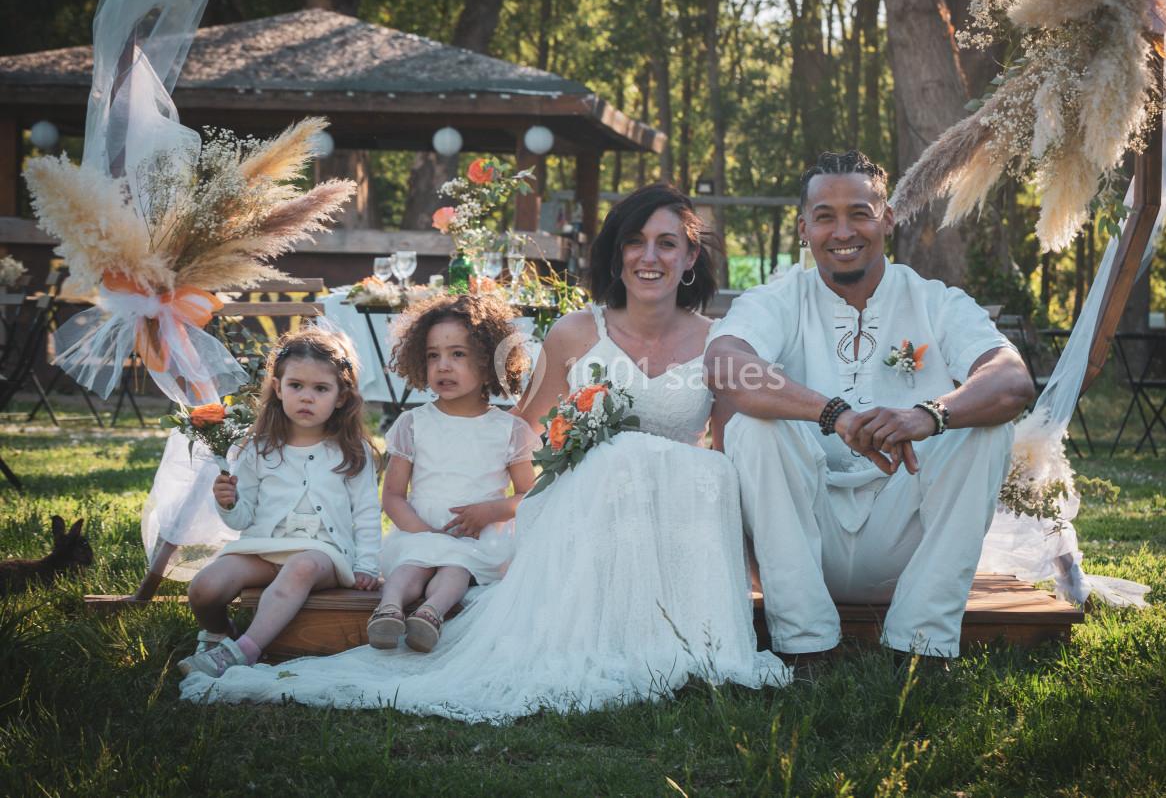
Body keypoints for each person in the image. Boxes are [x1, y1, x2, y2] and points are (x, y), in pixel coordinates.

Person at [180, 183, 786, 720]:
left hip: (676, 518)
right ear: (616, 252)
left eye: (667, 243)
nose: (649, 257)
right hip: (593, 510)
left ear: (690, 258)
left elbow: (732, 446)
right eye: (635, 241)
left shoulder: (719, 341)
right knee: (620, 458)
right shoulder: (577, 332)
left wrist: (755, 560)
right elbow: (519, 433)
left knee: (703, 470)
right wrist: (493, 510)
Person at [705, 150, 1035, 661]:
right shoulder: (777, 299)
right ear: (803, 228)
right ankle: (804, 645)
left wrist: (927, 414)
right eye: (825, 217)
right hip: (805, 537)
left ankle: (922, 643)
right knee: (754, 425)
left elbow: (1012, 379)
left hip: (904, 532)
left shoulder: (935, 301)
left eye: (859, 213)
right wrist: (833, 413)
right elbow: (725, 365)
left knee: (985, 426)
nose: (843, 231)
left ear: (888, 219)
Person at [177, 328, 381, 678]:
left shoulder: (351, 451)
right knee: (205, 586)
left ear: (341, 396)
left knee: (300, 567)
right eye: (296, 386)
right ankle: (219, 631)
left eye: (321, 389)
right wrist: (228, 503)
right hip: (264, 550)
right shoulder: (256, 448)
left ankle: (245, 650)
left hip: (324, 555)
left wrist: (367, 566)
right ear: (277, 387)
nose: (306, 397)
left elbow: (366, 513)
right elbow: (243, 520)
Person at [367, 294, 537, 652]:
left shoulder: (508, 429)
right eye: (433, 356)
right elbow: (393, 495)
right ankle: (388, 609)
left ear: (489, 361)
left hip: (473, 540)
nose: (443, 365)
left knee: (455, 571)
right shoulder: (413, 423)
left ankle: (430, 614)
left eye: (457, 354)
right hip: (420, 528)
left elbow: (529, 495)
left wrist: (492, 511)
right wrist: (420, 531)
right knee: (408, 568)